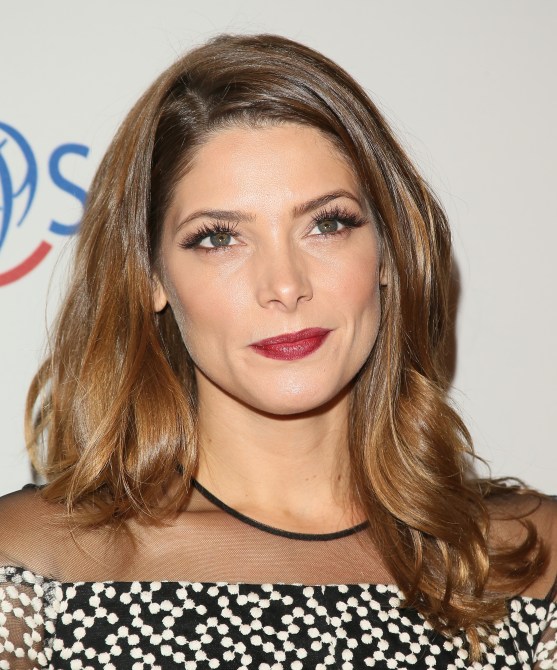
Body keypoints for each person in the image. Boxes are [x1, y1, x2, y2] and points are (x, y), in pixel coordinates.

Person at [0, 33, 555, 669]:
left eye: (328, 224)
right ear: (150, 276)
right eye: (218, 238)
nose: (285, 286)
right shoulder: (33, 566)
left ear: (388, 253)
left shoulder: (532, 561)